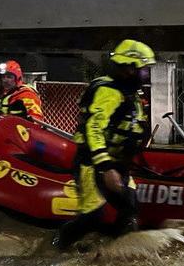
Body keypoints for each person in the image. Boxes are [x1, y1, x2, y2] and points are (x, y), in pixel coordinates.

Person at [53, 40, 155, 249]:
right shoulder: (109, 92)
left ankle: (118, 252)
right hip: (93, 164)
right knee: (92, 216)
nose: (147, 74)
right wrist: (106, 168)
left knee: (130, 208)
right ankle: (60, 244)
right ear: (129, 68)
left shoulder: (130, 93)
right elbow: (94, 129)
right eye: (144, 69)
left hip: (118, 163)